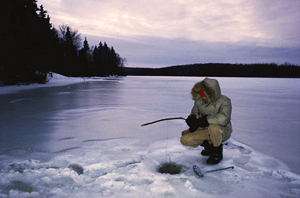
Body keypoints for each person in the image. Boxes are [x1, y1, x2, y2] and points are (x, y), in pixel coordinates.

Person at [180, 78, 232, 164]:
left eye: (204, 95)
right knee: (185, 139)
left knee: (214, 128)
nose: (202, 97)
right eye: (201, 94)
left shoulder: (225, 101)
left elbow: (224, 118)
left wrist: (206, 120)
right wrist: (192, 120)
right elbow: (194, 114)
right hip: (205, 130)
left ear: (211, 93)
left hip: (222, 131)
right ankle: (209, 146)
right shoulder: (199, 102)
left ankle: (216, 152)